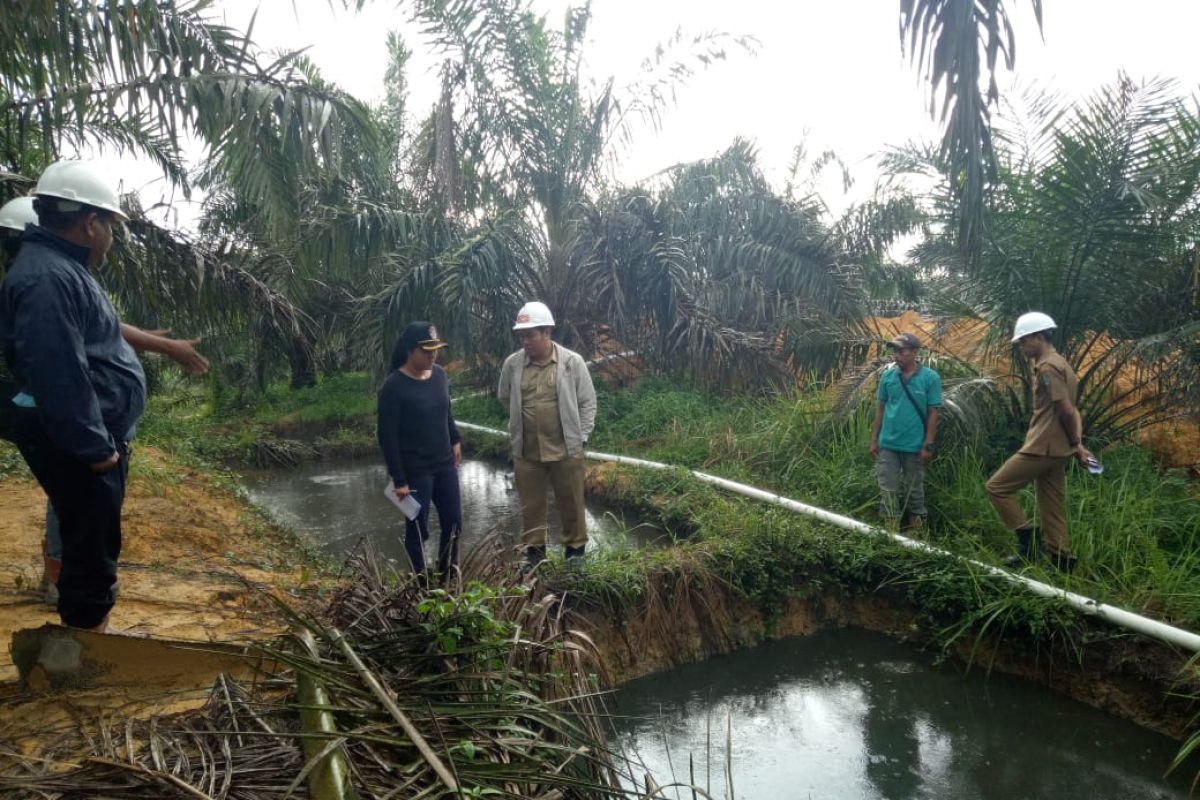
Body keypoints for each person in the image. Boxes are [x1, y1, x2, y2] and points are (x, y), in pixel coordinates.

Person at [1, 190, 209, 607]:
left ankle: (73, 591)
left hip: (80, 425)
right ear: (90, 223)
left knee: (78, 519)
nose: (113, 234)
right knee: (81, 523)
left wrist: (163, 346)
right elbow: (58, 372)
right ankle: (74, 606)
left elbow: (98, 323)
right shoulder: (43, 278)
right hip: (78, 431)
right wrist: (96, 450)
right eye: (111, 224)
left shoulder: (51, 273)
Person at [986, 312, 1094, 573]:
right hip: (1059, 449)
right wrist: (1076, 445)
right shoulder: (1062, 363)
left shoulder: (1047, 368)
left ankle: (1028, 544)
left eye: (1024, 341)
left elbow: (1066, 409)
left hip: (1042, 446)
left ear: (1038, 337)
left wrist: (1077, 442)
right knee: (1051, 503)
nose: (1021, 347)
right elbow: (1074, 411)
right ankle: (1061, 560)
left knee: (996, 487)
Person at [497, 301, 596, 572]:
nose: (525, 341)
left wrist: (582, 437)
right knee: (531, 505)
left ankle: (575, 554)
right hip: (527, 451)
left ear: (547, 332)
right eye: (522, 336)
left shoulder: (571, 363)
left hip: (566, 449)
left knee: (572, 502)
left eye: (531, 335)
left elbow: (588, 403)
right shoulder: (513, 365)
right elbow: (505, 397)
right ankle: (534, 555)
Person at [377, 321, 463, 579]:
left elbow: (446, 411)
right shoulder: (393, 387)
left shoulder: (439, 375)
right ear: (410, 351)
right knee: (417, 528)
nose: (432, 355)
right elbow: (387, 437)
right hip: (416, 471)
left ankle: (447, 574)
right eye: (426, 351)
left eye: (435, 350)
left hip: (444, 464)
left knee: (454, 522)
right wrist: (399, 479)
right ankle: (419, 580)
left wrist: (455, 439)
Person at [869, 332, 942, 532]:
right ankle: (891, 535)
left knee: (914, 491)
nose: (896, 355)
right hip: (888, 445)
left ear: (914, 352)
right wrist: (874, 440)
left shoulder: (930, 378)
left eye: (901, 351)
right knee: (887, 491)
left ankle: (916, 538)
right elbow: (881, 409)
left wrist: (928, 444)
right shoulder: (888, 376)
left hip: (915, 446)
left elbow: (933, 412)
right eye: (894, 351)